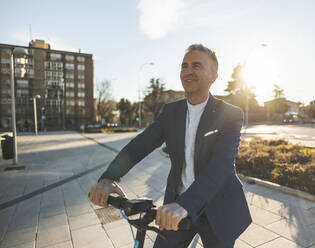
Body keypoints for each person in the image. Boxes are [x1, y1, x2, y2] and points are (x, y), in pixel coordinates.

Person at [89, 44, 252, 248]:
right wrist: (108, 177)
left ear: (214, 76)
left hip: (216, 206)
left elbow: (222, 165)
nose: (188, 71)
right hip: (176, 205)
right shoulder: (171, 113)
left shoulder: (230, 114)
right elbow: (139, 145)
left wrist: (186, 205)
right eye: (184, 66)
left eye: (196, 65)